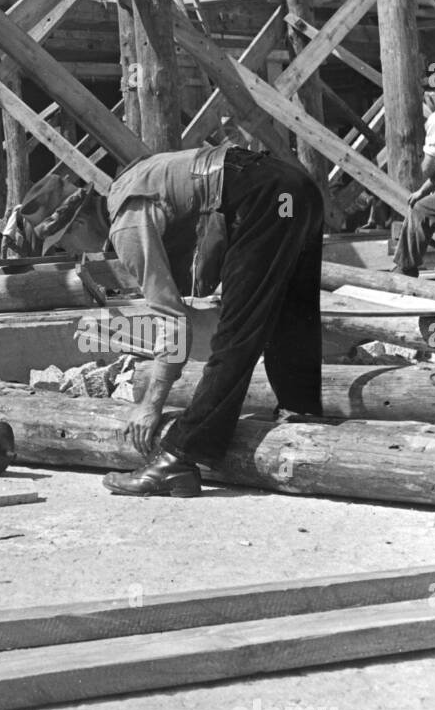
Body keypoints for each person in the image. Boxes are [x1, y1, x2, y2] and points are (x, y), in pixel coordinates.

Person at [98, 141, 326, 497]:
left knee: (238, 332)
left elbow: (172, 319)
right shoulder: (157, 177)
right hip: (297, 187)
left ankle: (179, 457)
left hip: (265, 193)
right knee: (293, 313)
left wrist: (151, 404)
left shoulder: (126, 224)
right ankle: (301, 412)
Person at [397, 76, 435, 280]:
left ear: (429, 96)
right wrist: (423, 191)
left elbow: (431, 166)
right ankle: (405, 268)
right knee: (420, 208)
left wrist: (423, 170)